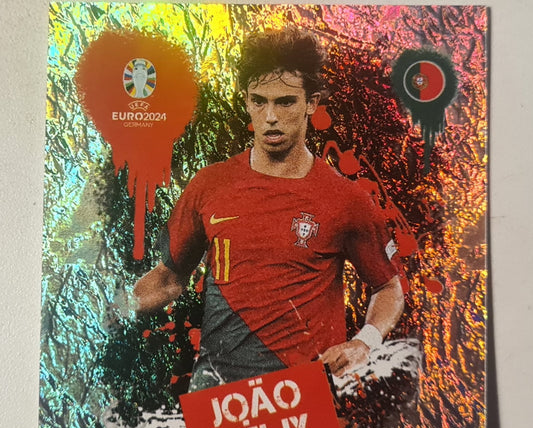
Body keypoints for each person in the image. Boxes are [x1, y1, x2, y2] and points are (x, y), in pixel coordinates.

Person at [134, 27, 404, 392]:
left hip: (303, 396)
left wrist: (365, 342)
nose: (270, 116)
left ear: (311, 103)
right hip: (218, 396)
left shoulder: (345, 199)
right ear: (246, 102)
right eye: (259, 101)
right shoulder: (209, 185)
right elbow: (168, 280)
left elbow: (388, 286)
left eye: (285, 102)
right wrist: (112, 310)